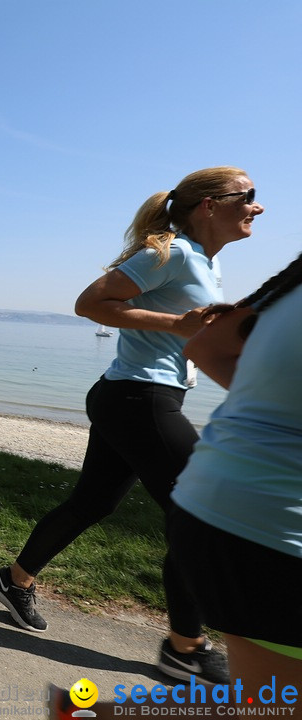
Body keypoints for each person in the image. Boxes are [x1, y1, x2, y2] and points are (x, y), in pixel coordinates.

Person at [0, 167, 263, 685]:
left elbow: (186, 332)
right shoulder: (174, 252)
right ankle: (186, 647)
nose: (257, 206)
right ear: (208, 205)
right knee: (201, 513)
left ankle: (13, 579)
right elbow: (90, 303)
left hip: (132, 396)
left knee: (92, 503)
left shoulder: (203, 260)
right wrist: (176, 325)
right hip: (139, 399)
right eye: (247, 196)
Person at [169, 252, 302, 697]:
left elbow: (206, 346)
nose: (258, 207)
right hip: (275, 533)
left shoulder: (292, 281)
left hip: (218, 504)